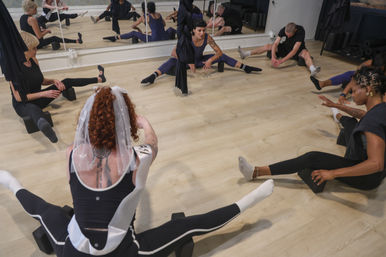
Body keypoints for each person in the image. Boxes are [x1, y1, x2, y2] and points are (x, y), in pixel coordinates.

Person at [0, 85, 274, 256]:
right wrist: (144, 123)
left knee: (44, 210)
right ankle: (247, 202)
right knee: (185, 226)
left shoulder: (72, 153)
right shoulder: (137, 158)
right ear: (126, 120)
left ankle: (10, 182)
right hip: (121, 252)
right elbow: (153, 144)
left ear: (88, 121)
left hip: (72, 250)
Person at [238, 66, 386, 190]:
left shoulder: (371, 122)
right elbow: (363, 115)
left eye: (353, 91)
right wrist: (335, 105)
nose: (351, 95)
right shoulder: (380, 108)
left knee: (312, 157)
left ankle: (255, 172)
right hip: (370, 164)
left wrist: (332, 174)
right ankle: (337, 114)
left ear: (367, 90)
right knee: (351, 123)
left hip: (367, 178)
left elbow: (376, 164)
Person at [9, 31, 106, 143]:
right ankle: (46, 128)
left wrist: (54, 81)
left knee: (66, 81)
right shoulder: (13, 70)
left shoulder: (34, 60)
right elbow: (19, 98)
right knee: (32, 109)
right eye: (33, 48)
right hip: (23, 104)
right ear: (24, 49)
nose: (36, 50)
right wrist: (44, 93)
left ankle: (99, 79)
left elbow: (40, 80)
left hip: (39, 97)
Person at [141, 20, 262, 86]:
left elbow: (219, 52)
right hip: (187, 62)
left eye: (204, 30)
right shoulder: (186, 38)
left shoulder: (207, 38)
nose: (202, 33)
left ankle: (245, 67)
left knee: (223, 56)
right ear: (193, 30)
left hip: (199, 60)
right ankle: (153, 76)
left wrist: (210, 60)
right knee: (171, 60)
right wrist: (188, 61)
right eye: (199, 30)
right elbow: (174, 52)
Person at [238, 22, 321, 76]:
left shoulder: (300, 31)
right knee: (268, 46)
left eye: (289, 35)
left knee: (306, 53)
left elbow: (294, 51)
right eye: (286, 35)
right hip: (285, 47)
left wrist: (281, 61)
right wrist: (273, 57)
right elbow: (275, 43)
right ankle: (245, 54)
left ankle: (312, 69)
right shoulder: (284, 29)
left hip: (298, 50)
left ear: (295, 30)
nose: (287, 36)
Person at [310, 52, 386, 104]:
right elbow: (355, 77)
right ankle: (322, 84)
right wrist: (343, 95)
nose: (377, 70)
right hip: (369, 80)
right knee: (350, 74)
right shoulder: (370, 63)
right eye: (376, 68)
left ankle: (348, 87)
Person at [103, 2, 176, 43]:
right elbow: (164, 25)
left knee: (134, 33)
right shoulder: (159, 14)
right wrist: (152, 31)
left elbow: (133, 26)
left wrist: (138, 29)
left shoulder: (145, 16)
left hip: (154, 39)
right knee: (170, 29)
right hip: (165, 37)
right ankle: (183, 33)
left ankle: (116, 37)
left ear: (147, 9)